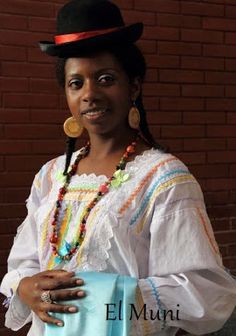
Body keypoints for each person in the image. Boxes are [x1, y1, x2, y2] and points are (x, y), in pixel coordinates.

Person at [1, 0, 236, 335]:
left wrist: (104, 297)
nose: (90, 94)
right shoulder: (52, 175)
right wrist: (25, 288)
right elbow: (22, 264)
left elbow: (206, 292)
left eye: (106, 78)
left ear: (134, 87)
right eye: (76, 83)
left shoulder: (163, 178)